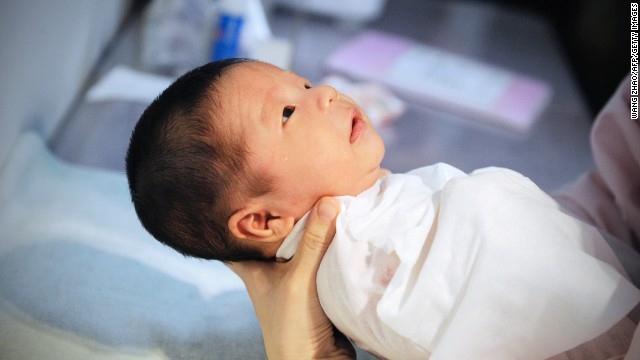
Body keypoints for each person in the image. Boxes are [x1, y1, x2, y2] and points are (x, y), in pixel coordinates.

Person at [126, 59, 639, 358]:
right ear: (262, 220)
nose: (324, 93)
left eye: (304, 84)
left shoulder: (370, 221)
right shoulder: (360, 259)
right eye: (287, 112)